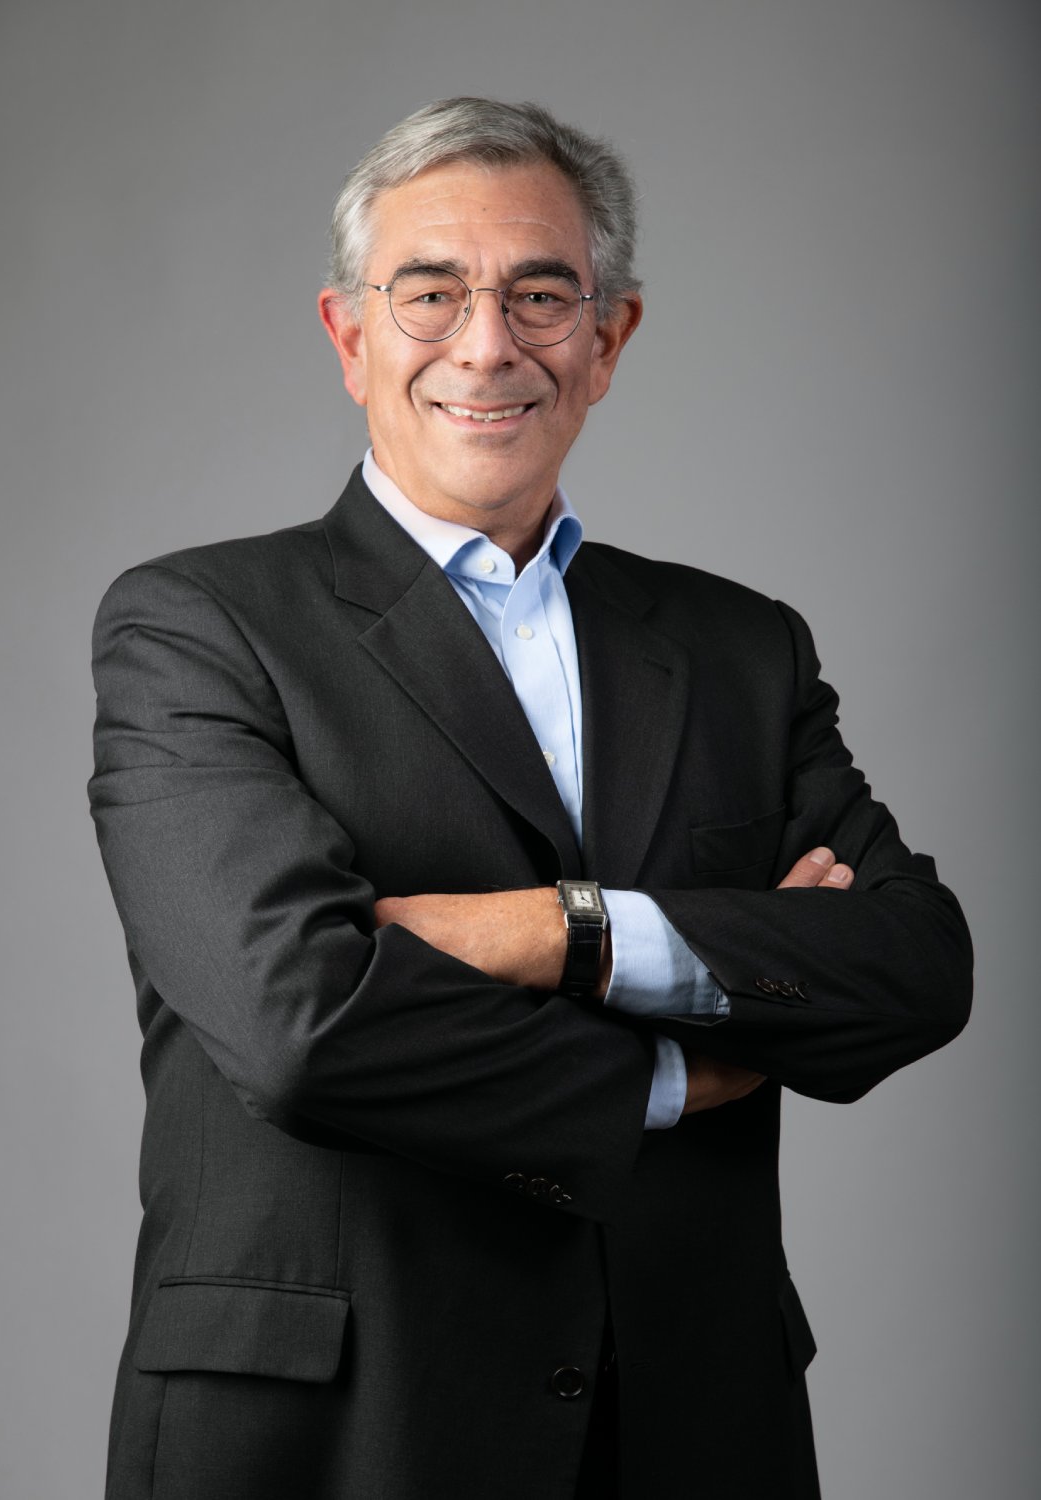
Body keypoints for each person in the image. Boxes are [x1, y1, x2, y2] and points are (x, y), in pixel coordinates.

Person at [89, 97, 972, 1500]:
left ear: (608, 340)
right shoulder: (198, 626)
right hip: (338, 1436)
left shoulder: (742, 649)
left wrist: (559, 931)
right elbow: (300, 1024)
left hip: (690, 1421)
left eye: (541, 296)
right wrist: (679, 1068)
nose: (487, 344)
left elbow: (914, 965)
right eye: (430, 293)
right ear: (350, 336)